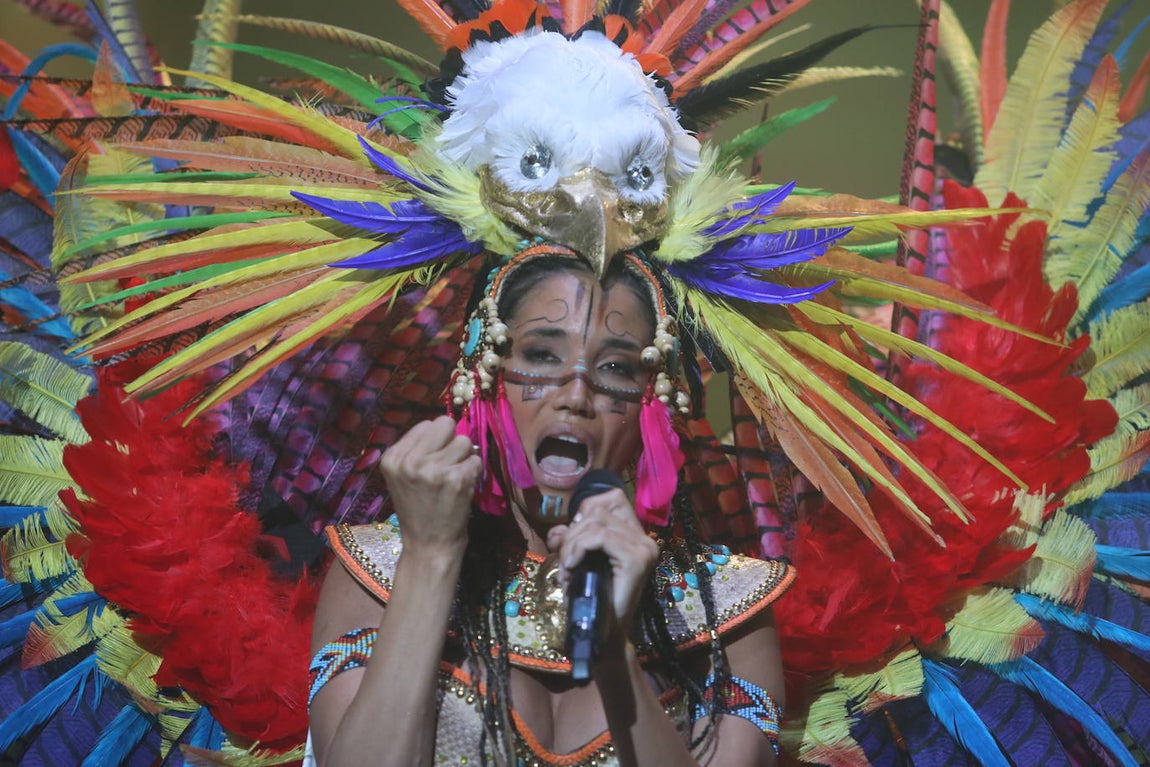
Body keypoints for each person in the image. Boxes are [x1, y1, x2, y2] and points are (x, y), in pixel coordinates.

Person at [307, 248, 793, 766]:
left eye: (616, 366)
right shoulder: (378, 570)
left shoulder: (725, 610)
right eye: (541, 355)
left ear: (652, 406)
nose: (575, 394)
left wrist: (612, 653)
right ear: (484, 375)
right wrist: (430, 557)